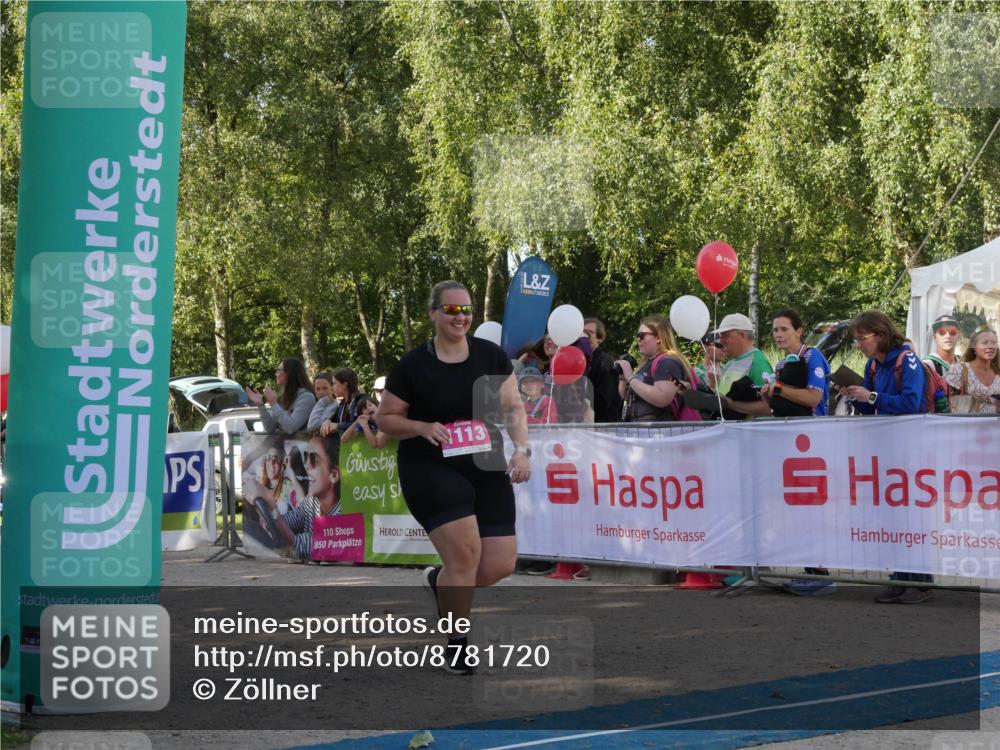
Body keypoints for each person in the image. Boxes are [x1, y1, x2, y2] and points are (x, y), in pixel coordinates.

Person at [376, 280, 531, 675]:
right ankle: (457, 647)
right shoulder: (412, 366)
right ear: (433, 313)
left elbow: (513, 407)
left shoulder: (490, 356)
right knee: (464, 556)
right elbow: (385, 418)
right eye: (451, 309)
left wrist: (521, 449)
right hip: (430, 466)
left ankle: (439, 583)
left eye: (466, 310)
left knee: (499, 565)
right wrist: (421, 427)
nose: (460, 317)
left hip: (485, 465)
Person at [840, 311, 930, 603]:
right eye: (855, 339)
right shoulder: (872, 365)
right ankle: (900, 577)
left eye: (861, 338)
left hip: (913, 447)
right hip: (888, 449)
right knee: (893, 515)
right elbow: (871, 408)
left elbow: (911, 402)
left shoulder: (907, 359)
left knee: (913, 515)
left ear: (880, 334)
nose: (858, 345)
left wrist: (871, 396)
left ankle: (921, 581)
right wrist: (855, 395)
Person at [762, 309, 836, 596]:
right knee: (798, 509)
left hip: (814, 441)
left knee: (812, 508)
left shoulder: (812, 356)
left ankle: (821, 574)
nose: (779, 335)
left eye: (784, 329)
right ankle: (810, 570)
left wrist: (778, 389)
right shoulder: (781, 363)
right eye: (775, 330)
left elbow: (814, 397)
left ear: (799, 331)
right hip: (791, 442)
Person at [615, 315, 698, 422]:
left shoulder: (668, 362)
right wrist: (623, 378)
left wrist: (630, 377)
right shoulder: (646, 364)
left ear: (659, 338)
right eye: (637, 335)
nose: (638, 339)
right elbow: (626, 398)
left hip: (659, 429)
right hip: (640, 428)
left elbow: (662, 398)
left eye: (642, 335)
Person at [247, 358, 317, 435]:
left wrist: (274, 403)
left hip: (301, 442)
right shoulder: (284, 396)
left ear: (289, 373)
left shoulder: (307, 397)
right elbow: (270, 428)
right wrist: (261, 405)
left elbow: (291, 427)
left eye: (278, 370)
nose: (275, 374)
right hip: (284, 442)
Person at [945, 328, 1000, 414]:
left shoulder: (998, 373)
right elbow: (944, 400)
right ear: (974, 346)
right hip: (965, 422)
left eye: (993, 342)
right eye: (985, 342)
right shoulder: (959, 370)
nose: (990, 346)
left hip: (994, 422)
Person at [584, 318, 623, 423]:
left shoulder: (604, 361)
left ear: (599, 338)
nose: (585, 336)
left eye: (590, 332)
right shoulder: (579, 361)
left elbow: (604, 400)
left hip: (602, 425)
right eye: (583, 333)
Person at [319, 368, 365, 436]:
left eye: (334, 383)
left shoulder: (363, 401)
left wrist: (338, 426)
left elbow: (364, 426)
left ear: (345, 384)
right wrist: (327, 421)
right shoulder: (342, 404)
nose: (332, 387)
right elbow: (333, 422)